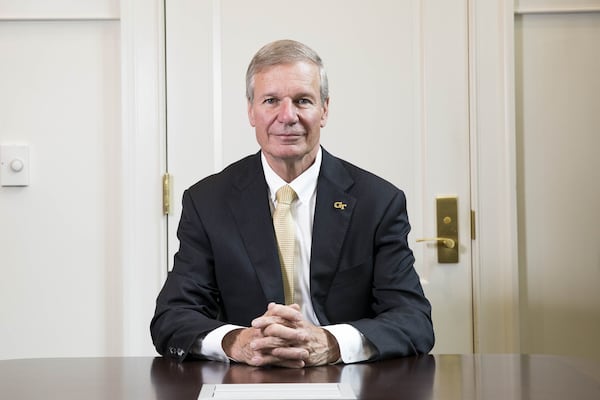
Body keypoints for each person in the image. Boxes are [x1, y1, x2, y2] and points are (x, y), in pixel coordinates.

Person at [150, 39, 434, 368]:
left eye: (303, 101)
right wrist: (239, 342)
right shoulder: (207, 201)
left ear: (324, 109)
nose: (288, 116)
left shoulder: (378, 202)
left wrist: (330, 342)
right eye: (271, 101)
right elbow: (172, 318)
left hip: (344, 376)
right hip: (244, 380)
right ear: (250, 111)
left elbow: (413, 320)